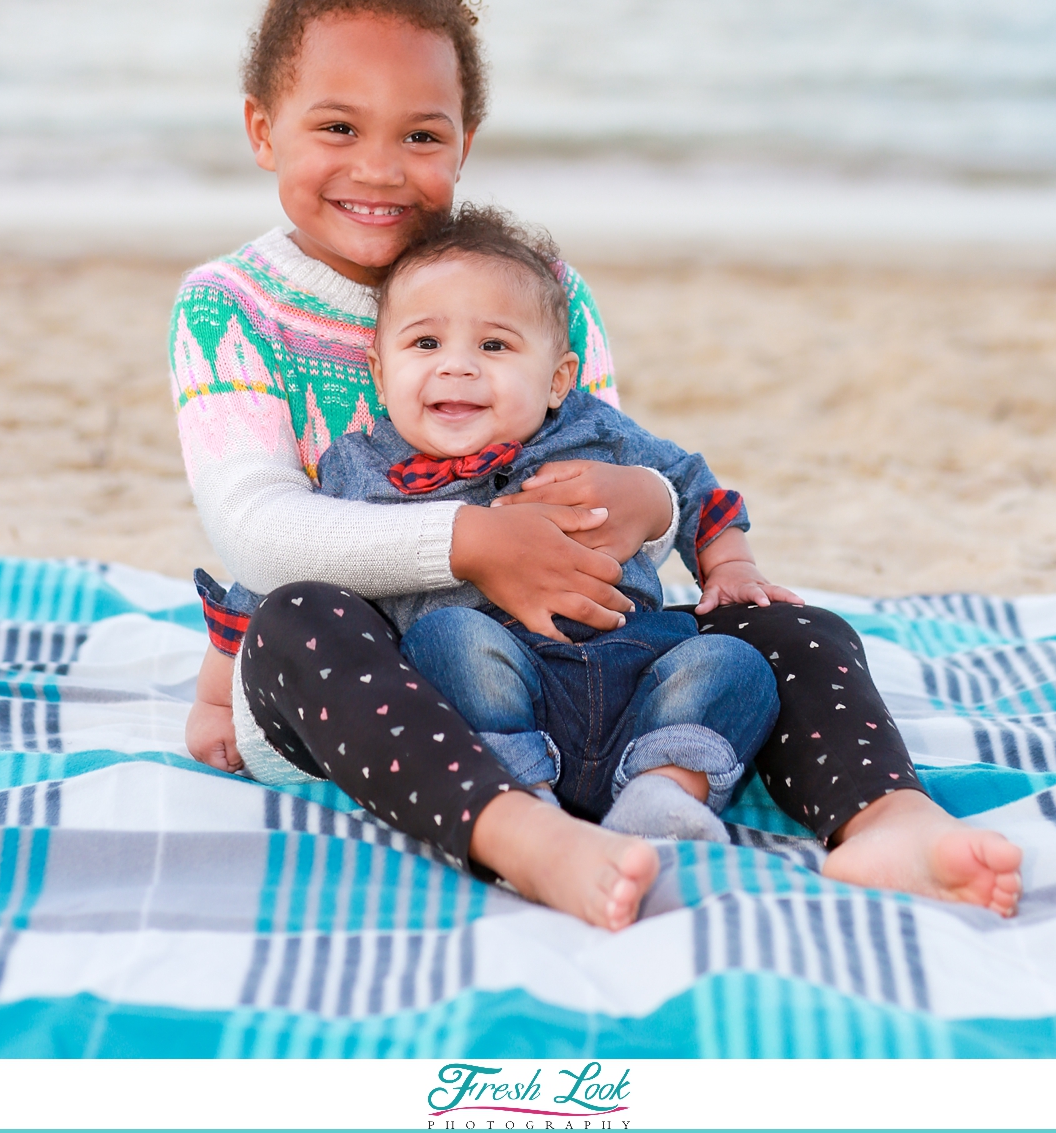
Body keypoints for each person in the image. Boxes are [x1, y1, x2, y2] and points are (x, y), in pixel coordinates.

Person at [174, 0, 1022, 925]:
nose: (380, 168)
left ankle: (884, 818)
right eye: (338, 126)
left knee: (785, 627)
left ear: (468, 137)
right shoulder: (230, 308)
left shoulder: (542, 288)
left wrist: (660, 509)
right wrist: (475, 541)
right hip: (395, 700)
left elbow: (609, 466)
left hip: (591, 681)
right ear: (263, 128)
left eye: (423, 136)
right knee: (299, 620)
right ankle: (519, 832)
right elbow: (252, 527)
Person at [188, 205, 783, 844]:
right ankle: (522, 800)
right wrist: (218, 699)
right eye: (425, 343)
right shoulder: (362, 466)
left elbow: (692, 485)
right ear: (381, 376)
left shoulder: (595, 433)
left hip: (629, 665)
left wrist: (730, 564)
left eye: (494, 346)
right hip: (486, 691)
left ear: (558, 380)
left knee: (735, 663)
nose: (458, 366)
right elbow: (275, 576)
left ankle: (661, 792)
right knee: (450, 638)